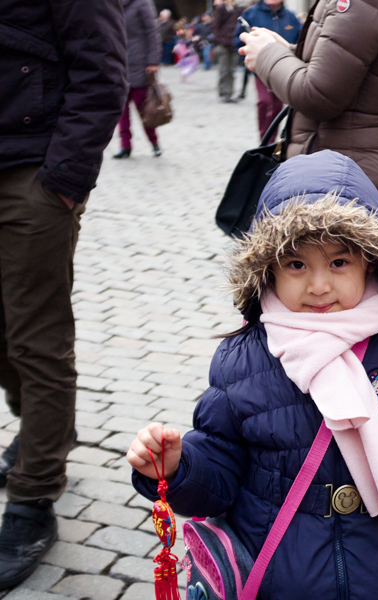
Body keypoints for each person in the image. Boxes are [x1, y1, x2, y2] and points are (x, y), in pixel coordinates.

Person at [127, 151, 378, 598]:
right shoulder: (244, 358)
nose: (318, 285)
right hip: (278, 577)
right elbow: (220, 472)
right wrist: (178, 468)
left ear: (371, 261)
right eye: (296, 265)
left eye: (338, 263)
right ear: (267, 269)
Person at [0, 0, 127, 589]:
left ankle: (33, 499)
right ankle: (43, 432)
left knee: (36, 338)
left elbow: (102, 70)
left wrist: (63, 183)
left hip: (32, 176)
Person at [238, 0, 378, 247]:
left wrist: (267, 55)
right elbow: (363, 72)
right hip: (370, 176)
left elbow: (318, 95)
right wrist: (283, 52)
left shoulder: (363, 2)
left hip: (350, 188)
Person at [234, 0, 302, 139]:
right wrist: (247, 54)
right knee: (264, 101)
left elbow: (300, 39)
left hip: (283, 67)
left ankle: (271, 138)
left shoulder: (290, 16)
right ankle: (264, 137)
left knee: (277, 105)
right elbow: (238, 39)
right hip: (261, 67)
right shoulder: (251, 13)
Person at [114, 0, 163, 159]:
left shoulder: (142, 3)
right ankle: (125, 145)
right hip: (119, 63)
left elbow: (152, 32)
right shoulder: (113, 4)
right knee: (121, 111)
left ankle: (154, 142)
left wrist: (153, 61)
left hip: (140, 64)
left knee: (144, 108)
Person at [213, 0, 244, 102]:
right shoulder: (220, 9)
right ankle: (223, 93)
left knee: (231, 70)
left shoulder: (238, 9)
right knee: (224, 70)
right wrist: (221, 40)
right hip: (223, 45)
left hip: (234, 43)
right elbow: (216, 27)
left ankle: (229, 93)